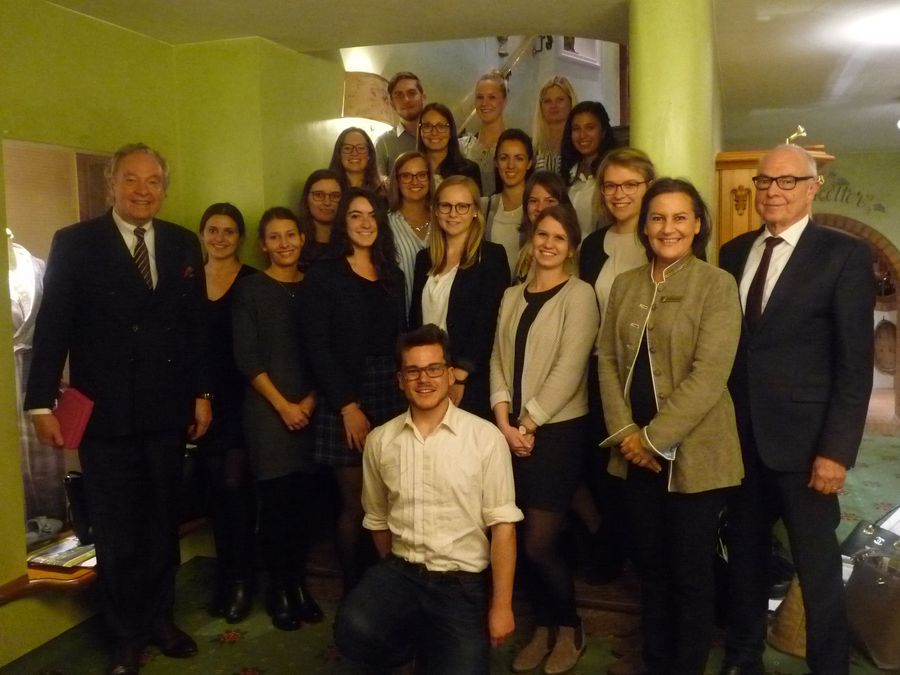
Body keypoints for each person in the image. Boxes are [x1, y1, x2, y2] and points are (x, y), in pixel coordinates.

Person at [24, 143, 210, 675]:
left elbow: (195, 328)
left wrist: (202, 392)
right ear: (112, 185)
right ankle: (125, 635)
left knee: (160, 524)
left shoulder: (180, 243)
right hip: (106, 416)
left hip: (166, 411)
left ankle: (160, 619)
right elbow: (52, 326)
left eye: (153, 181)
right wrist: (39, 403)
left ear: (164, 188)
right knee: (116, 530)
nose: (143, 190)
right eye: (132, 180)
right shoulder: (75, 243)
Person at [718, 145, 875, 675]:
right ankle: (743, 656)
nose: (772, 191)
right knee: (745, 559)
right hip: (739, 439)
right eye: (764, 181)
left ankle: (828, 666)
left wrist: (836, 452)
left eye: (787, 181)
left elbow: (855, 365)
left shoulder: (844, 255)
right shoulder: (733, 252)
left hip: (808, 447)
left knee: (817, 567)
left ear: (813, 187)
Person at [597, 178, 744, 675]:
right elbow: (607, 363)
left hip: (696, 458)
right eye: (658, 217)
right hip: (633, 455)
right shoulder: (625, 285)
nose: (668, 228)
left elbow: (710, 375)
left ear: (698, 224)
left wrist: (655, 441)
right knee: (651, 571)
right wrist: (626, 436)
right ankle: (656, 662)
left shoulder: (717, 286)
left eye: (680, 217)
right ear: (644, 226)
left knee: (691, 576)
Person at [333, 324, 523, 674]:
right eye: (413, 371)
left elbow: (503, 529)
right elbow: (377, 521)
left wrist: (502, 606)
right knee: (352, 630)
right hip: (402, 571)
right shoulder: (380, 441)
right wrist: (394, 576)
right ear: (400, 380)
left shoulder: (485, 439)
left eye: (434, 368)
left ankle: (435, 643)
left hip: (460, 585)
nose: (424, 379)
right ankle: (413, 644)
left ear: (450, 374)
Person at [490, 205, 598, 675]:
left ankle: (570, 626)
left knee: (537, 542)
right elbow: (497, 358)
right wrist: (502, 421)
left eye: (558, 237)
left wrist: (527, 425)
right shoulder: (512, 295)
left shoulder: (581, 295)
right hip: (509, 430)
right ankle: (542, 626)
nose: (548, 243)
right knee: (510, 534)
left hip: (556, 433)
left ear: (571, 246)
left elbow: (570, 370)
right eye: (541, 234)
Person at [301, 187, 407, 592]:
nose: (365, 224)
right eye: (355, 216)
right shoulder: (324, 275)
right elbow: (316, 345)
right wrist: (346, 404)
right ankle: (353, 587)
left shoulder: (392, 274)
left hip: (390, 391)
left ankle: (387, 585)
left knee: (390, 496)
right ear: (344, 223)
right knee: (357, 500)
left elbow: (399, 335)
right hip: (343, 392)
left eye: (371, 216)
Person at [232, 207, 322, 631]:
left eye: (291, 235)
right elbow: (247, 358)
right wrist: (285, 405)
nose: (284, 243)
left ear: (302, 238)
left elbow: (329, 352)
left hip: (313, 409)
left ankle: (299, 584)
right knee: (276, 506)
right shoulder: (250, 289)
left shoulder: (316, 287)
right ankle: (279, 589)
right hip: (268, 412)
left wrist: (308, 401)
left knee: (306, 505)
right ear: (263, 244)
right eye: (275, 237)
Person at [578, 149, 656, 584]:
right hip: (597, 369)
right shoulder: (592, 245)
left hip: (646, 374)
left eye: (630, 185)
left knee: (640, 470)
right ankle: (610, 549)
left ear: (648, 187)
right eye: (611, 185)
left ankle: (644, 563)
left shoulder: (661, 238)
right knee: (598, 470)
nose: (619, 194)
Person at [196, 203, 258, 624]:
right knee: (215, 491)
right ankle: (225, 574)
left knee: (237, 488)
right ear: (202, 234)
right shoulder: (185, 279)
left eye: (229, 231)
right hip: (200, 400)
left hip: (244, 399)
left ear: (240, 238)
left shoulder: (252, 282)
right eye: (213, 230)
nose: (220, 238)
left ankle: (241, 579)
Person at [409, 176, 509, 421]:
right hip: (426, 378)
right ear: (435, 209)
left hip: (468, 380)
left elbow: (487, 323)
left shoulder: (492, 257)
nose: (453, 213)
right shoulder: (424, 258)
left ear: (475, 210)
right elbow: (414, 321)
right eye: (446, 206)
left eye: (462, 206)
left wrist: (460, 374)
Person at [560, 101, 618, 239]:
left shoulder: (613, 173)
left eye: (590, 127)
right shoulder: (568, 172)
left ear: (603, 131)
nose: (582, 135)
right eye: (576, 129)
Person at [483, 128, 535, 275]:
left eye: (519, 158)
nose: (511, 165)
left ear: (529, 163)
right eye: (504, 158)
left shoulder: (539, 206)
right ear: (496, 162)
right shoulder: (485, 206)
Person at [387, 150, 433, 310]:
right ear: (397, 181)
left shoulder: (444, 219)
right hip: (401, 317)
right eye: (406, 176)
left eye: (421, 175)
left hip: (440, 320)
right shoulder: (385, 224)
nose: (414, 181)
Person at [511, 170, 573, 283]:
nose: (540, 208)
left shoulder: (570, 250)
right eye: (534, 201)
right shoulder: (526, 249)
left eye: (549, 201)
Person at [460, 71, 508, 196]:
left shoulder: (515, 147)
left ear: (504, 101)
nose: (484, 103)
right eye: (480, 97)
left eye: (492, 97)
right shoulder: (462, 147)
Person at [417, 102, 482, 191]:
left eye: (441, 126)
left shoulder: (469, 170)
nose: (434, 132)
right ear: (420, 131)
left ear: (451, 131)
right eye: (427, 126)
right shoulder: (411, 169)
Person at [375, 71, 426, 178]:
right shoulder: (383, 143)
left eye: (411, 93)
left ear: (423, 98)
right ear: (392, 104)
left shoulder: (438, 137)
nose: (406, 100)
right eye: (399, 95)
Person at [297, 169, 342, 271]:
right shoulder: (294, 243)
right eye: (318, 195)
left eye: (335, 196)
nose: (327, 202)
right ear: (307, 199)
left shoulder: (351, 244)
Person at [532, 76, 577, 174]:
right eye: (547, 101)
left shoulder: (580, 143)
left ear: (570, 101)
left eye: (560, 100)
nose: (553, 106)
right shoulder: (534, 148)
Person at [328, 127, 386, 197]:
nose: (354, 153)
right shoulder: (327, 189)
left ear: (369, 154)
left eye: (361, 148)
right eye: (347, 148)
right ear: (339, 154)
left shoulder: (385, 190)